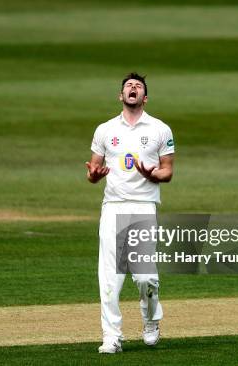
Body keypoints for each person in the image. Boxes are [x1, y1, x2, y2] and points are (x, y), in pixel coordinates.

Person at [86, 72, 175, 353]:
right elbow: (93, 170)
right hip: (113, 206)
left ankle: (151, 321)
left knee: (145, 277)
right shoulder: (105, 130)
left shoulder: (161, 129)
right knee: (110, 277)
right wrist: (94, 176)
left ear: (145, 97)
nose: (133, 88)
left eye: (138, 86)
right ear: (121, 96)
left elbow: (168, 171)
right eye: (128, 86)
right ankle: (111, 336)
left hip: (143, 206)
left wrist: (153, 175)